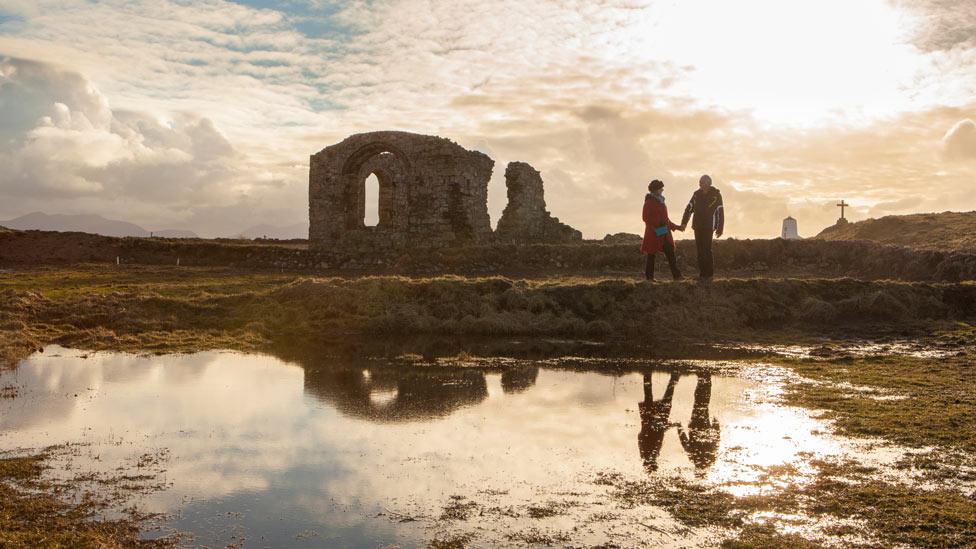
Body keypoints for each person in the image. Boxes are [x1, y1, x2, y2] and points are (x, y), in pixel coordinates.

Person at [680, 175, 724, 281]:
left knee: (707, 250)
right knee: (700, 251)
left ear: (708, 183)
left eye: (702, 182)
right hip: (697, 226)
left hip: (709, 226)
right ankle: (702, 274)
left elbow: (720, 212)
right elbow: (689, 208)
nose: (699, 184)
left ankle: (709, 274)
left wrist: (720, 228)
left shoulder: (716, 195)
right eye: (699, 182)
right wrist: (684, 222)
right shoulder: (696, 194)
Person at [677, 372, 721, 474]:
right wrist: (679, 428)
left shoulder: (707, 458)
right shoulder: (700, 458)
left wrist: (716, 426)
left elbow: (716, 441)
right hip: (697, 425)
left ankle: (704, 379)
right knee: (701, 402)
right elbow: (685, 443)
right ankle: (704, 378)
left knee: (702, 403)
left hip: (699, 425)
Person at [637, 372, 680, 473]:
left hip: (653, 420)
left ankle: (674, 375)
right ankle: (647, 373)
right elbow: (640, 435)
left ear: (654, 464)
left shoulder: (651, 453)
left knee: (667, 396)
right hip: (649, 420)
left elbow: (658, 434)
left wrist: (669, 425)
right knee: (650, 395)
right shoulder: (644, 453)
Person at [641, 179, 682, 281]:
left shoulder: (661, 201)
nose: (662, 190)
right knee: (651, 255)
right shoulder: (649, 202)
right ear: (655, 190)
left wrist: (676, 227)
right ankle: (649, 278)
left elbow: (666, 219)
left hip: (663, 231)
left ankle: (677, 276)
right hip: (654, 232)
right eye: (660, 188)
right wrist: (658, 223)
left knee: (670, 252)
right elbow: (645, 217)